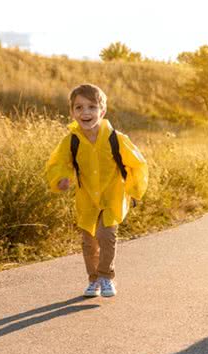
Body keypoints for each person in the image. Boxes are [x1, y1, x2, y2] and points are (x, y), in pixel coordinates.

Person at [45, 83, 148, 297]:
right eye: (79, 107)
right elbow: (58, 164)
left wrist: (134, 189)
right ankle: (93, 280)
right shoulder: (71, 141)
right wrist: (60, 179)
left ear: (102, 111)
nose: (86, 113)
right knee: (89, 242)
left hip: (112, 197)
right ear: (72, 112)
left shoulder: (116, 139)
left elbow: (137, 164)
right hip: (87, 200)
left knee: (106, 235)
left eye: (92, 107)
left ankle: (105, 276)